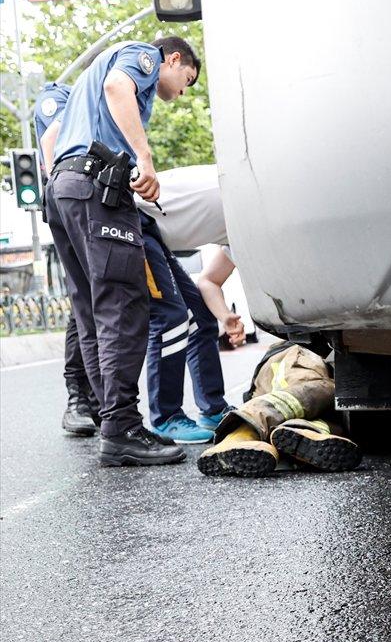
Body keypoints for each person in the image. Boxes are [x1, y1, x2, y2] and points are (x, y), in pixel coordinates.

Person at [43, 36, 200, 466]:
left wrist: (66, 183)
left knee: (92, 311)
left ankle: (111, 419)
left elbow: (52, 136)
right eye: (186, 80)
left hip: (63, 189)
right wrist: (143, 159)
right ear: (173, 59)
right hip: (94, 189)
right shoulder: (140, 55)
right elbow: (118, 87)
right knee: (123, 306)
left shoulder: (83, 84)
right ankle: (121, 428)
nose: (182, 93)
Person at [133, 166, 232, 444]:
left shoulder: (247, 230)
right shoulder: (236, 189)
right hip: (133, 220)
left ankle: (214, 409)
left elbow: (209, 281)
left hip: (157, 237)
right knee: (171, 317)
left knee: (201, 316)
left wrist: (225, 317)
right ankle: (166, 418)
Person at [34, 81, 99, 437]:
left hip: (76, 198)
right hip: (69, 197)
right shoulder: (59, 96)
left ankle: (95, 398)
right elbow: (51, 142)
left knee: (91, 300)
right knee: (83, 303)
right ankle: (78, 399)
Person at [197, 343, 361, 477]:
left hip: (267, 381)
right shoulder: (301, 352)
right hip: (294, 355)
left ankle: (301, 431)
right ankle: (242, 430)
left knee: (319, 409)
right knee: (324, 390)